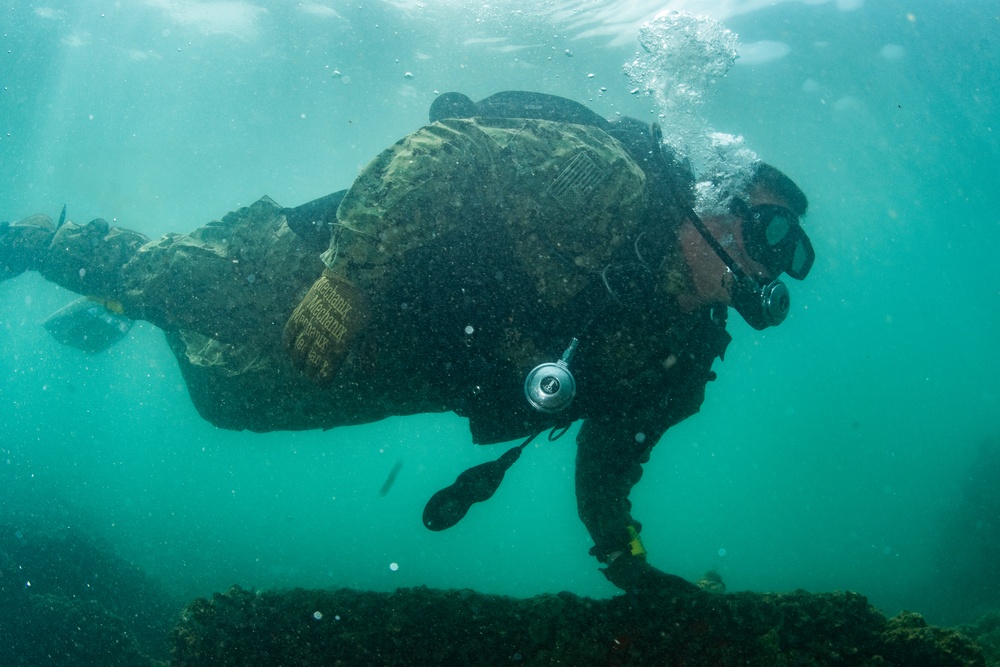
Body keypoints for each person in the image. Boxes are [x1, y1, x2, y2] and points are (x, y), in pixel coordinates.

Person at [0, 91, 814, 595]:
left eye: (788, 253)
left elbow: (613, 456)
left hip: (403, 359)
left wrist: (619, 552)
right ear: (713, 202)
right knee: (169, 280)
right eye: (769, 230)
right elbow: (441, 150)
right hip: (339, 261)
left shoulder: (681, 356)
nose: (771, 263)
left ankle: (129, 308)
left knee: (226, 399)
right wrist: (346, 280)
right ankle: (37, 243)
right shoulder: (608, 181)